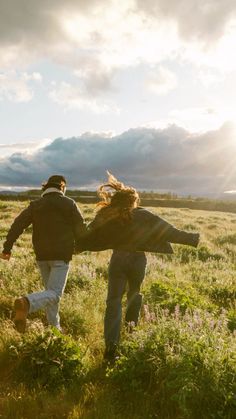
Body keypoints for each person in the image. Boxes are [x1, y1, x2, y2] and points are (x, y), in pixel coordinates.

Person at [77, 172, 200, 361]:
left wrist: (74, 246)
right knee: (134, 295)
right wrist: (191, 238)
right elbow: (168, 231)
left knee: (113, 302)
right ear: (133, 201)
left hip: (119, 259)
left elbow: (89, 233)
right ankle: (131, 333)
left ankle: (111, 349)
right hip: (138, 261)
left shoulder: (108, 215)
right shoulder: (143, 215)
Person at [0, 175, 87, 333]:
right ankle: (27, 302)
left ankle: (55, 330)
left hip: (42, 256)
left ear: (46, 187)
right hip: (61, 256)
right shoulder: (69, 203)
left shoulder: (36, 205)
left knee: (49, 294)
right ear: (63, 187)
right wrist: (81, 246)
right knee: (54, 294)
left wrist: (7, 248)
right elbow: (81, 229)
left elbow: (17, 225)